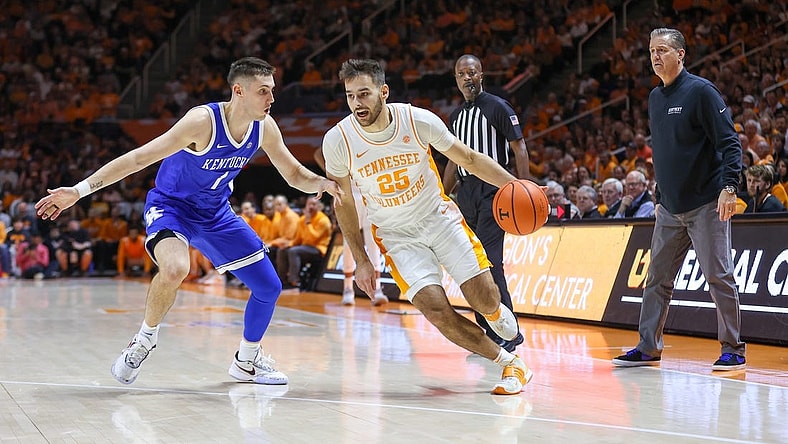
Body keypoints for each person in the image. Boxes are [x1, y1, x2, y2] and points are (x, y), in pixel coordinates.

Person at [36, 57, 342, 385]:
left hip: (216, 214)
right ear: (239, 91)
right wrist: (79, 191)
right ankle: (143, 339)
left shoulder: (264, 127)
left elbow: (294, 173)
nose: (272, 99)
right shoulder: (202, 122)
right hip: (173, 208)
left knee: (269, 286)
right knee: (175, 268)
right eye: (264, 91)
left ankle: (246, 359)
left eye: (272, 91)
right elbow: (139, 158)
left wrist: (323, 183)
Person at [321, 58, 532, 395]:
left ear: (384, 92)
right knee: (435, 308)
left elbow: (470, 159)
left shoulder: (416, 120)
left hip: (438, 217)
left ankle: (493, 314)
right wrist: (362, 258)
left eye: (364, 94)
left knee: (485, 298)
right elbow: (343, 201)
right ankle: (509, 363)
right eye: (350, 96)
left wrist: (517, 186)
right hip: (396, 235)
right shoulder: (338, 140)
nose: (357, 103)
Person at [612, 28, 746, 371]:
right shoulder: (655, 98)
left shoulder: (701, 92)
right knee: (656, 279)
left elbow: (730, 143)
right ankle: (648, 347)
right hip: (670, 208)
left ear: (680, 54)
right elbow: (666, 152)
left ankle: (733, 349)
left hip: (705, 203)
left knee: (719, 276)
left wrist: (729, 188)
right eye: (651, 51)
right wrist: (659, 195)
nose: (655, 57)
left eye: (662, 50)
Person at [440, 54, 527, 352]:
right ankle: (489, 331)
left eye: (472, 72)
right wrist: (441, 193)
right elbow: (453, 160)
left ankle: (510, 330)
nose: (467, 77)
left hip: (494, 191)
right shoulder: (455, 117)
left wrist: (523, 187)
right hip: (466, 194)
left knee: (490, 261)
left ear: (481, 75)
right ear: (456, 78)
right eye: (462, 73)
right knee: (470, 264)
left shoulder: (498, 107)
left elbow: (519, 146)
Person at [313, 149, 388, 306]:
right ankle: (348, 289)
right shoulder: (339, 137)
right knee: (350, 242)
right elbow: (317, 153)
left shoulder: (366, 139)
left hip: (369, 195)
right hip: (347, 195)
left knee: (373, 241)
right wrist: (330, 175)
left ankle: (378, 289)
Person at [275, 195, 332, 289]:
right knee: (282, 251)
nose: (311, 207)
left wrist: (308, 223)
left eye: (314, 204)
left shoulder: (323, 220)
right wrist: (288, 245)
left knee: (294, 251)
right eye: (309, 204)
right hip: (304, 247)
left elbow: (314, 238)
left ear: (319, 206)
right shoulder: (302, 220)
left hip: (318, 249)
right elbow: (298, 239)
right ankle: (282, 280)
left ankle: (294, 281)